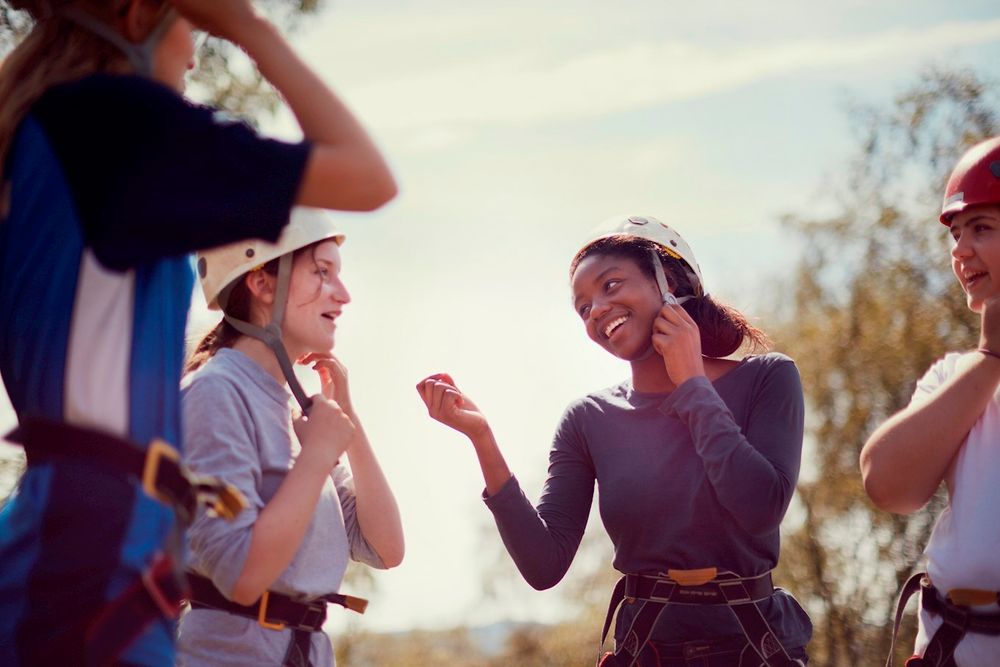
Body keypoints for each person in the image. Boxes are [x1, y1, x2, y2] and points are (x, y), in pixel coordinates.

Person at [0, 1, 396, 664]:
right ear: (138, 15)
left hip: (81, 533)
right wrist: (248, 27)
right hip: (96, 542)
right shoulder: (117, 127)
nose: (195, 49)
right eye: (193, 18)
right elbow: (365, 173)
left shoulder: (42, 140)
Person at [417, 215, 812, 666]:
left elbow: (760, 508)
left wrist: (691, 385)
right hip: (648, 654)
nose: (597, 310)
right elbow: (544, 566)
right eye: (583, 307)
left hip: (755, 652)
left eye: (611, 285)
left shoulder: (768, 377)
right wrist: (482, 438)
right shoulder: (587, 419)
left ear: (672, 281)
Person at [175, 206, 404, 667]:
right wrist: (318, 453)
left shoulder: (292, 409)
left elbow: (384, 547)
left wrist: (348, 424)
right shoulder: (214, 393)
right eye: (322, 272)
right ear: (261, 283)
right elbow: (240, 575)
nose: (343, 295)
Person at [861, 138, 1000, 667]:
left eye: (981, 228)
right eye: (956, 234)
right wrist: (990, 357)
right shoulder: (955, 375)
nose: (960, 251)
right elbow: (887, 485)